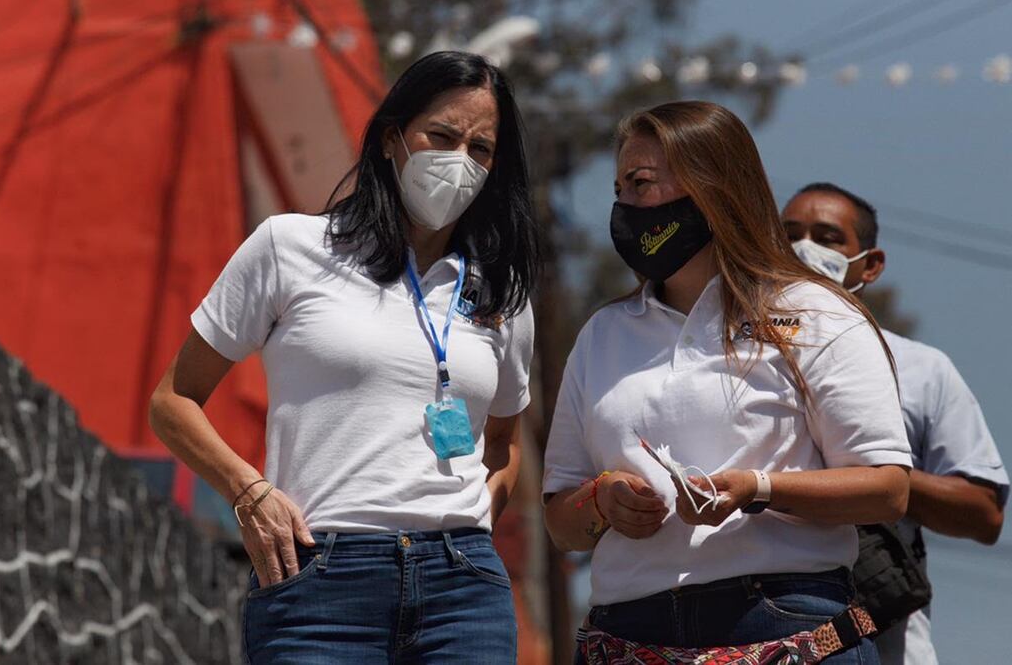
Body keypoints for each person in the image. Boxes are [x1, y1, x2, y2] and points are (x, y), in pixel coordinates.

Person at [148, 51, 540, 664]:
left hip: (463, 590)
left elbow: (506, 444)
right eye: (441, 136)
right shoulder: (290, 247)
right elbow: (172, 401)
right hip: (319, 579)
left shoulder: (500, 294)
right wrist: (248, 492)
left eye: (480, 148)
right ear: (392, 139)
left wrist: (478, 518)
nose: (459, 160)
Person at [542, 101, 913, 664]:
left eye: (641, 184)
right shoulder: (603, 334)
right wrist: (604, 500)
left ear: (714, 186)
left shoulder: (815, 314)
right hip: (628, 633)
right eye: (619, 189)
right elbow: (560, 520)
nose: (624, 207)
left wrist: (756, 489)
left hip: (783, 622)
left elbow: (887, 489)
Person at [782, 182, 1008, 664]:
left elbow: (984, 514)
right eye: (789, 235)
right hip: (759, 634)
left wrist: (877, 474)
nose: (803, 250)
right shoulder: (732, 356)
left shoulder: (920, 369)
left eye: (827, 238)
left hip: (886, 641)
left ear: (870, 264)